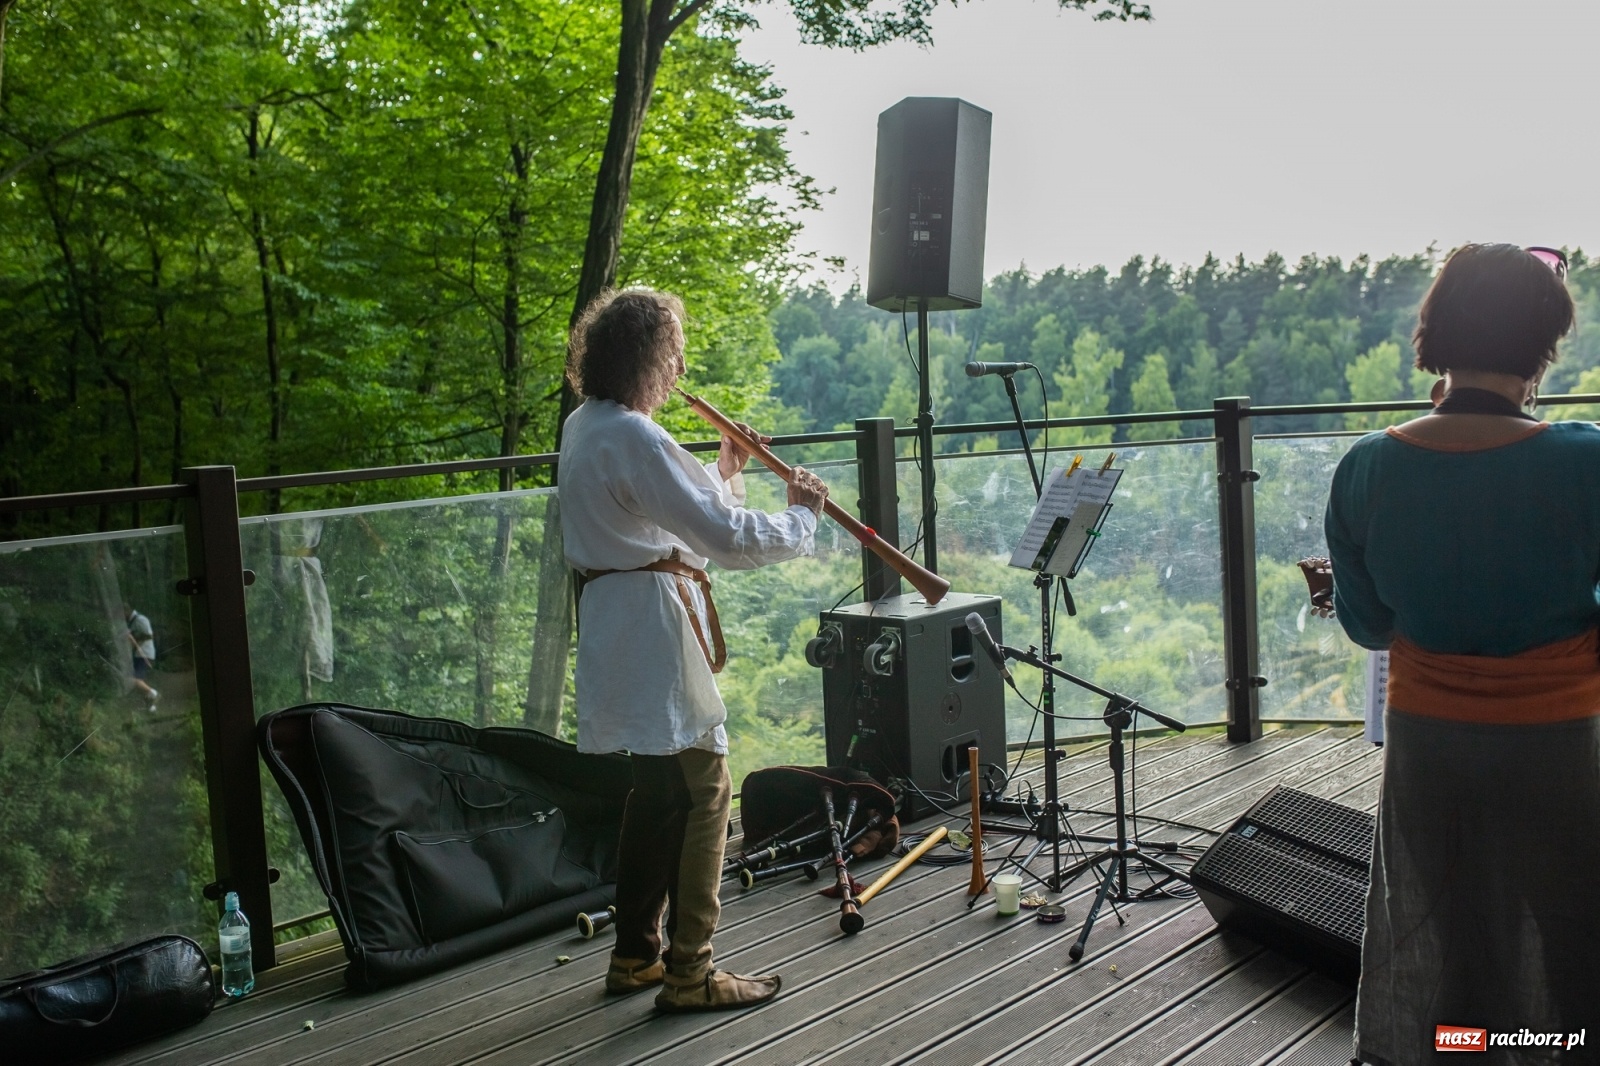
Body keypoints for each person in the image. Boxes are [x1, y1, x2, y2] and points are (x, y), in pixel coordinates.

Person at [1325, 244, 1597, 1065]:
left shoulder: (1369, 466)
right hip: (1558, 744)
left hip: (1429, 741)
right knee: (1571, 931)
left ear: (1436, 333)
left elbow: (1369, 627)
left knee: (1445, 930)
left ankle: (1458, 1050)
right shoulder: (1586, 460)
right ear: (1544, 344)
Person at [559, 288, 828, 1012]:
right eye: (673, 353)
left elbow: (661, 510)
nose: (679, 367)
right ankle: (691, 970)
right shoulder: (635, 437)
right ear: (650, 358)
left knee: (658, 787)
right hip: (651, 625)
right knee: (708, 790)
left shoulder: (588, 425)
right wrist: (801, 518)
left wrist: (726, 467)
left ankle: (635, 957)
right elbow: (722, 538)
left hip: (617, 619)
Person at [123, 602, 159, 711]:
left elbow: (149, 635)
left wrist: (134, 638)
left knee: (135, 679)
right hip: (139, 653)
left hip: (144, 653)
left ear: (127, 611)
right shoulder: (132, 622)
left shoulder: (140, 619)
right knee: (140, 681)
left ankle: (152, 692)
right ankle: (151, 707)